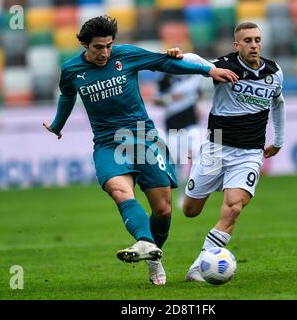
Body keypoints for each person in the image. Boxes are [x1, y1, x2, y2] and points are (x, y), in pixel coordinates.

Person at [42, 15, 238, 286]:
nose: (105, 53)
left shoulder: (126, 55)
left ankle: (153, 256)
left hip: (143, 139)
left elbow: (163, 62)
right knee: (119, 191)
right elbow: (66, 95)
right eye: (98, 47)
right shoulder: (72, 70)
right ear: (85, 45)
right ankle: (145, 242)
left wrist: (207, 71)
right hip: (108, 144)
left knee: (163, 210)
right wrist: (57, 124)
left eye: (109, 46)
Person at [167, 22, 286, 282]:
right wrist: (179, 55)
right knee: (190, 210)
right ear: (236, 45)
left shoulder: (274, 72)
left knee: (233, 208)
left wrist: (278, 139)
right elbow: (197, 60)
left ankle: (200, 265)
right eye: (247, 41)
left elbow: (278, 103)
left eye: (257, 40)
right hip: (216, 148)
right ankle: (204, 257)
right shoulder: (225, 66)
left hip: (249, 153)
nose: (253, 45)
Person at [152, 72, 203, 209]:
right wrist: (171, 98)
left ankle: (196, 192)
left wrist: (198, 106)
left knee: (198, 155)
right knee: (178, 163)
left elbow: (199, 95)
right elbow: (156, 100)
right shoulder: (165, 78)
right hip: (173, 127)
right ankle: (182, 194)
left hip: (192, 124)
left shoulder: (191, 75)